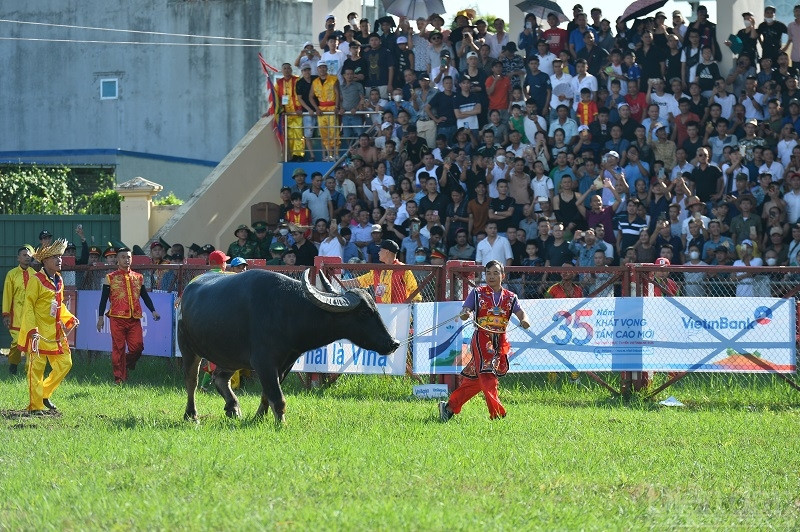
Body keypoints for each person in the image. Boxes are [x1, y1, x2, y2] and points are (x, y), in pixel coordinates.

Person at [439, 260, 530, 421]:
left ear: (503, 275)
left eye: (495, 273)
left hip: (500, 340)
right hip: (482, 338)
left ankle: (449, 407)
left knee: (476, 380)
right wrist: (465, 313)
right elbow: (466, 309)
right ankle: (497, 414)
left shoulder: (511, 297)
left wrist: (525, 319)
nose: (491, 276)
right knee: (488, 375)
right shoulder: (477, 293)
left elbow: (520, 312)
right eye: (488, 273)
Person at [17, 239, 78, 414]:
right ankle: (35, 406)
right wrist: (32, 330)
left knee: (65, 363)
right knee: (36, 369)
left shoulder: (59, 279)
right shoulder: (35, 280)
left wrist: (69, 318)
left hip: (55, 332)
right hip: (37, 333)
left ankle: (44, 393)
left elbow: (59, 305)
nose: (60, 260)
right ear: (45, 261)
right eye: (55, 257)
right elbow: (28, 307)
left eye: (60, 256)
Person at [97, 247, 161, 384]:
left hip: (134, 318)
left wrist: (153, 310)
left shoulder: (138, 277)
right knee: (118, 348)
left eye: (128, 257)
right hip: (116, 318)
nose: (126, 260)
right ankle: (119, 378)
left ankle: (126, 364)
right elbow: (103, 299)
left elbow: (144, 296)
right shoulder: (110, 278)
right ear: (117, 260)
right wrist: (101, 318)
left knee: (138, 347)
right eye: (123, 257)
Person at [343, 240, 421, 303]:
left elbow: (414, 290)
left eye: (380, 250)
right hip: (382, 311)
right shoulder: (378, 270)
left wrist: (412, 304)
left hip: (399, 312)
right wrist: (339, 282)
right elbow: (360, 281)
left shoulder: (404, 269)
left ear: (387, 252)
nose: (378, 252)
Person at [2, 245, 34, 374]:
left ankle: (29, 371)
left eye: (29, 255)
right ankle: (13, 364)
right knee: (16, 342)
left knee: (31, 344)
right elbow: (7, 294)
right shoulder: (12, 274)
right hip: (16, 315)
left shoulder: (35, 274)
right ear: (18, 258)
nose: (27, 257)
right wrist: (6, 314)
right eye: (24, 255)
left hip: (31, 316)